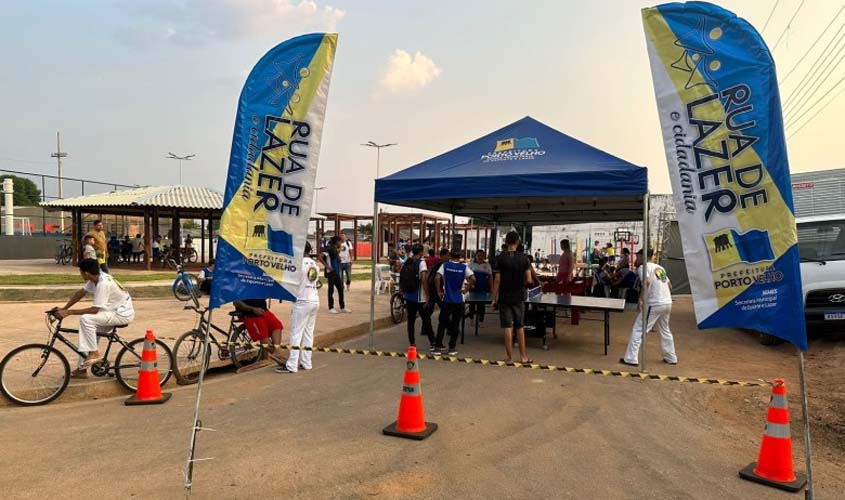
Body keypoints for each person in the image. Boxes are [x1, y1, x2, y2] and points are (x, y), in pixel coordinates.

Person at [55, 259, 135, 378]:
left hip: (121, 314)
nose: (80, 274)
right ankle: (82, 370)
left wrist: (69, 312)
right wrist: (64, 308)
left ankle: (94, 353)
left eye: (80, 272)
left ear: (86, 273)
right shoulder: (96, 278)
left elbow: (94, 310)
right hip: (111, 311)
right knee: (88, 336)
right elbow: (80, 293)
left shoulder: (103, 284)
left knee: (86, 319)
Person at [620, 249, 677, 367]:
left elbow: (646, 282)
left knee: (639, 329)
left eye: (638, 256)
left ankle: (631, 358)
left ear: (642, 256)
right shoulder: (660, 268)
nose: (637, 259)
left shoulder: (643, 268)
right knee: (665, 330)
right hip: (667, 302)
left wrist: (641, 299)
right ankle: (671, 357)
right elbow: (669, 285)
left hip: (654, 303)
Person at [278, 242, 320, 374]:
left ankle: (292, 365)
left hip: (302, 301)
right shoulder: (315, 265)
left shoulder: (298, 265)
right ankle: (306, 362)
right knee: (308, 334)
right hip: (314, 300)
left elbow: (289, 281)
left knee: (296, 334)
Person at [492, 231, 532, 364]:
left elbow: (497, 280)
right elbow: (529, 279)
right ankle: (523, 357)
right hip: (519, 296)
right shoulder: (524, 258)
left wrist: (494, 298)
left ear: (506, 242)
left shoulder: (499, 258)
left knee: (507, 326)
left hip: (504, 296)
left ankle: (509, 358)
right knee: (520, 327)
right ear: (518, 242)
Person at [434, 248, 475, 356]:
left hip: (447, 299)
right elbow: (473, 279)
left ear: (450, 256)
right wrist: (466, 290)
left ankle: (437, 348)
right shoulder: (464, 267)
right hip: (459, 299)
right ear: (460, 257)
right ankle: (452, 348)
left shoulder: (445, 265)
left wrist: (439, 291)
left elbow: (437, 277)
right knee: (456, 324)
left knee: (442, 323)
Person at [401, 244, 435, 348]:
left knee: (410, 321)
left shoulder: (408, 261)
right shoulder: (422, 263)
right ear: (420, 252)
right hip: (419, 297)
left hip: (409, 296)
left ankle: (412, 343)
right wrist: (427, 295)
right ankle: (433, 342)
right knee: (426, 320)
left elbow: (403, 276)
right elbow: (424, 280)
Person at [234, 298, 285, 365]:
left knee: (277, 325)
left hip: (264, 311)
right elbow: (236, 302)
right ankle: (278, 355)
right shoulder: (238, 288)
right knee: (263, 337)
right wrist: (253, 309)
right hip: (251, 315)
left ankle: (277, 353)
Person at [321, 236, 350, 314]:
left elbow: (335, 257)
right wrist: (327, 266)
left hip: (336, 272)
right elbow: (320, 256)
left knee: (340, 289)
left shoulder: (335, 249)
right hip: (331, 272)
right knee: (331, 290)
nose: (341, 243)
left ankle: (342, 307)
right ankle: (331, 307)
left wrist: (338, 258)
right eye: (340, 242)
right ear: (337, 241)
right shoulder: (329, 248)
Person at [468, 250, 492, 323]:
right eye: (479, 255)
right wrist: (469, 284)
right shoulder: (471, 264)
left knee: (481, 305)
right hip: (473, 287)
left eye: (482, 255)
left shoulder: (487, 265)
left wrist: (491, 287)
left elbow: (490, 277)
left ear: (484, 256)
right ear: (476, 256)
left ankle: (481, 320)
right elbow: (467, 275)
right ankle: (471, 318)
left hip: (483, 287)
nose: (480, 257)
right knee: (472, 304)